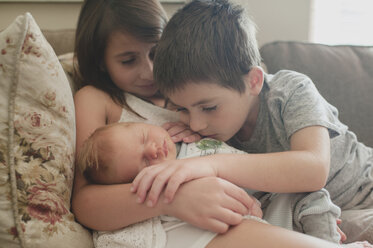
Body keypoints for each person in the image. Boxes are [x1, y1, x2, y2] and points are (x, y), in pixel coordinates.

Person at [72, 0, 372, 247]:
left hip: (362, 189)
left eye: (155, 53)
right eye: (182, 110)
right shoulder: (195, 109)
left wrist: (208, 163)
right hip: (310, 210)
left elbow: (312, 169)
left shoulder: (281, 91)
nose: (149, 72)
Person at [77, 122, 343, 247]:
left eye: (145, 136)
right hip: (256, 216)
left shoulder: (186, 131)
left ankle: (331, 240)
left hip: (272, 191)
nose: (153, 149)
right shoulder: (171, 183)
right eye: (145, 164)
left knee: (314, 201)